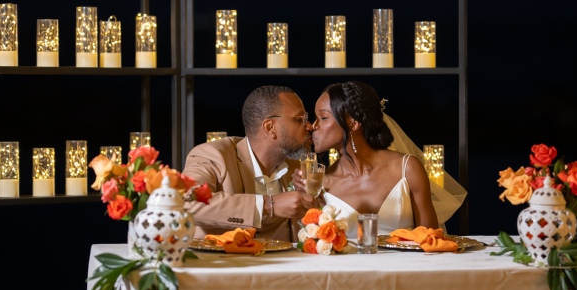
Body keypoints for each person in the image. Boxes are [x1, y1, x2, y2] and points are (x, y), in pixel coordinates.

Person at [297, 81, 440, 235]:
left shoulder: (407, 168)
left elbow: (432, 240)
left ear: (353, 123)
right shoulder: (322, 185)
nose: (313, 126)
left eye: (323, 117)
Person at [182, 85, 315, 241]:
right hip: (225, 263)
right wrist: (269, 205)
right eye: (300, 119)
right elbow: (188, 202)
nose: (309, 125)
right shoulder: (214, 156)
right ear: (270, 127)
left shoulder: (297, 168)